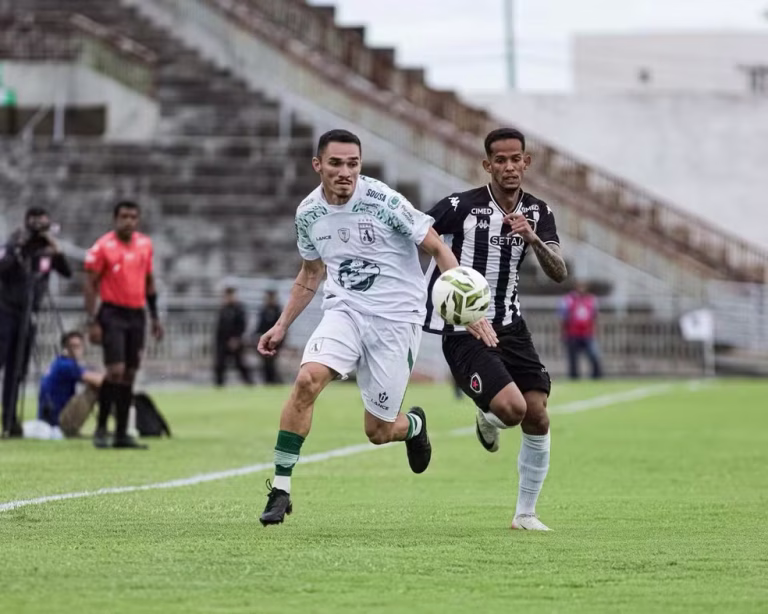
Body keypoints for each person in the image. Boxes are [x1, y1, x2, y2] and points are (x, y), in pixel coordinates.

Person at [257, 129, 496, 526]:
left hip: (396, 320)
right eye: (335, 163)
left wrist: (467, 308)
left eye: (353, 163)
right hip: (344, 310)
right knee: (306, 381)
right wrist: (281, 324)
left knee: (379, 431)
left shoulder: (384, 201)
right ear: (318, 165)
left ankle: (414, 426)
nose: (345, 172)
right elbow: (311, 272)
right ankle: (281, 489)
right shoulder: (309, 213)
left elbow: (437, 247)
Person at [423, 128, 568, 531]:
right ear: (488, 165)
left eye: (515, 159)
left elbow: (558, 272)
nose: (509, 167)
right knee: (512, 409)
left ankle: (525, 514)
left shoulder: (538, 212)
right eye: (499, 160)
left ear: (526, 162)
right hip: (464, 327)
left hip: (511, 324)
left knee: (537, 415)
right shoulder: (460, 206)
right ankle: (489, 416)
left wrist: (533, 238)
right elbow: (416, 231)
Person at [84, 200, 164, 449]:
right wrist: (92, 320)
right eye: (124, 216)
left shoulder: (144, 245)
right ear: (115, 219)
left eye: (133, 217)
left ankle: (121, 433)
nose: (129, 221)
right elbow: (89, 283)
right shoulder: (102, 247)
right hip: (112, 313)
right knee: (115, 370)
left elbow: (149, 282)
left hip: (136, 314)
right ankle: (101, 428)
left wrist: (155, 316)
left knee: (129, 373)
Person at [0, 207, 72, 437]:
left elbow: (67, 271)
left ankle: (9, 419)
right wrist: (19, 247)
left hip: (28, 316)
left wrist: (54, 247)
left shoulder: (46, 251)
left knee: (17, 370)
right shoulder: (13, 245)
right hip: (6, 312)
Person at [38, 331, 103, 438]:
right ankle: (122, 422)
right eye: (72, 346)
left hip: (52, 419)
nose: (76, 350)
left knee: (102, 387)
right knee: (94, 390)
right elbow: (97, 380)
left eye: (78, 346)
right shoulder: (66, 365)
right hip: (56, 422)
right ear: (65, 348)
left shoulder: (60, 363)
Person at [560, 281, 602, 380]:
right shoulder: (568, 299)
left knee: (594, 355)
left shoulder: (591, 300)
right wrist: (563, 332)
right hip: (573, 333)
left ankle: (597, 376)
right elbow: (563, 317)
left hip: (587, 333)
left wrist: (597, 331)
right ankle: (574, 377)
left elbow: (595, 317)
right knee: (573, 358)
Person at [214, 287, 253, 387]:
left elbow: (242, 325)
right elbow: (220, 327)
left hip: (236, 342)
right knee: (220, 365)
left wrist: (237, 339)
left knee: (240, 364)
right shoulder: (223, 309)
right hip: (223, 342)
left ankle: (249, 384)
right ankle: (219, 386)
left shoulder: (239, 309)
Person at [256, 290, 282, 384]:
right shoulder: (263, 311)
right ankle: (268, 382)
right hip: (265, 341)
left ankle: (275, 382)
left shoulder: (278, 311)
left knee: (272, 364)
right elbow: (259, 326)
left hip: (275, 342)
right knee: (265, 365)